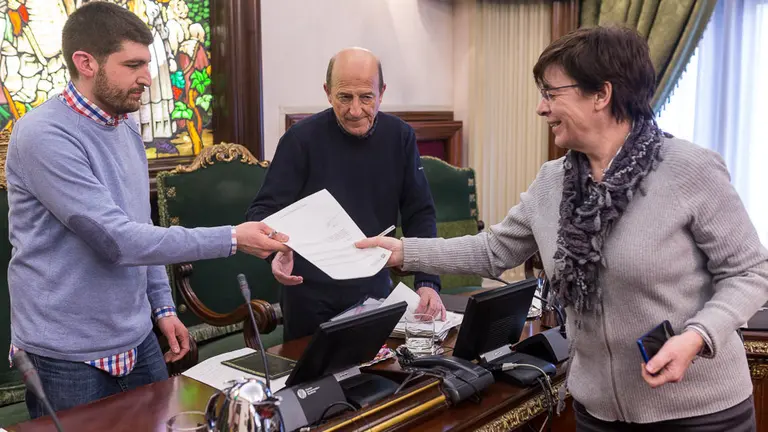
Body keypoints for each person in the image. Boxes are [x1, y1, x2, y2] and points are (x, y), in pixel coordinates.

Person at [357, 26, 768, 431]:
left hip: (699, 414)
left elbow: (750, 272)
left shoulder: (690, 169)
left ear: (601, 95)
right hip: (599, 413)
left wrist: (696, 336)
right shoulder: (552, 182)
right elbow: (491, 251)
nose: (541, 108)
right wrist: (403, 252)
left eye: (552, 94)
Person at [5, 2, 289, 419]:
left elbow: (143, 223)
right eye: (133, 64)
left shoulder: (126, 125)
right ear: (85, 62)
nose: (148, 78)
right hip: (67, 354)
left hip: (137, 339)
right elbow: (117, 241)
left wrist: (162, 307)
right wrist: (232, 238)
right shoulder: (43, 135)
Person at [246, 47, 446, 342]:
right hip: (310, 296)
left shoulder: (399, 136)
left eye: (366, 97)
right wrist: (277, 251)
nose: (355, 110)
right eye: (344, 97)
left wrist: (427, 281)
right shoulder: (300, 140)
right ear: (328, 92)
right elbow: (261, 213)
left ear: (382, 92)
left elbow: (420, 213)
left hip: (375, 289)